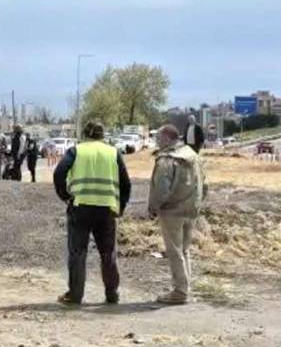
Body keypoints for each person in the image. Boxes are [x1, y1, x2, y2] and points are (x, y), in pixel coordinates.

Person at [53, 120, 132, 305]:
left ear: (86, 134)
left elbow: (59, 173)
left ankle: (75, 295)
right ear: (102, 135)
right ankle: (112, 294)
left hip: (80, 207)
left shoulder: (76, 151)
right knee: (108, 253)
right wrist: (121, 206)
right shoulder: (113, 152)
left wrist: (65, 196)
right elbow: (126, 183)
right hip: (106, 209)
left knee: (78, 253)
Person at [149, 124, 208, 305]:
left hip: (172, 212)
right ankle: (185, 288)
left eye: (158, 138)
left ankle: (180, 292)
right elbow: (204, 184)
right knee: (185, 251)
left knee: (175, 252)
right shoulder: (193, 156)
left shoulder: (166, 159)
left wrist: (153, 207)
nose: (157, 142)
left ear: (167, 138)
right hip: (191, 210)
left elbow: (161, 188)